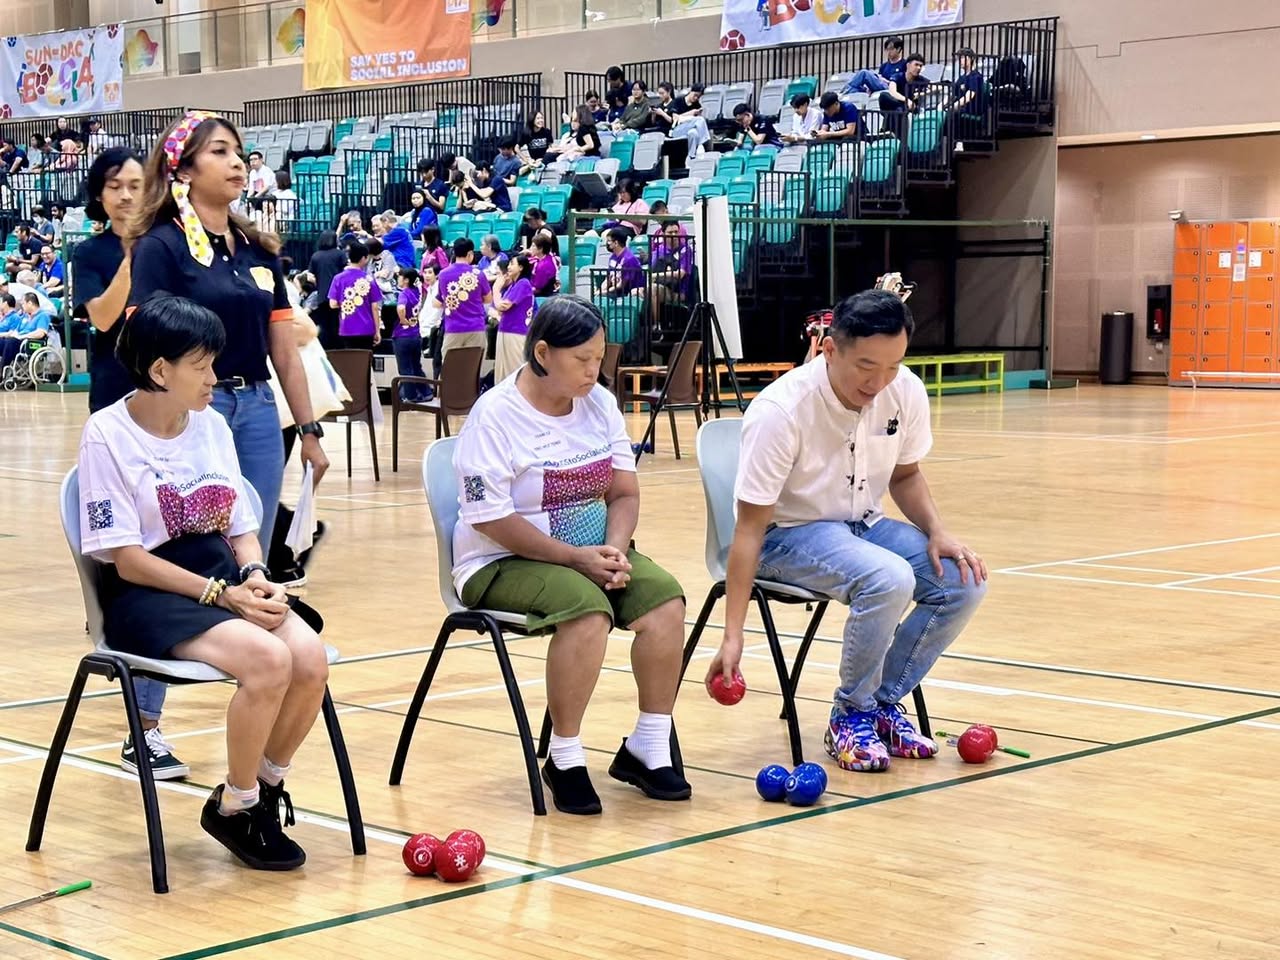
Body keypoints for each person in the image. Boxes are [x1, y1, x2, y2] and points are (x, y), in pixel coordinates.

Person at [77, 295, 329, 870]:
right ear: (160, 370)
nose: (215, 378)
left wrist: (257, 575)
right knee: (268, 662)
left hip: (222, 576)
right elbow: (127, 559)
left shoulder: (212, 425)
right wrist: (220, 594)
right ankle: (235, 809)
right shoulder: (106, 434)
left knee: (309, 658)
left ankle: (263, 789)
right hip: (148, 591)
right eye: (202, 365)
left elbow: (240, 526)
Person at [706, 290, 988, 773]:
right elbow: (749, 529)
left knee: (963, 579)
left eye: (893, 366)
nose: (880, 382)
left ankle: (877, 706)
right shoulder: (781, 412)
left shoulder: (905, 391)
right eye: (866, 366)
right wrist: (732, 634)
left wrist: (937, 530)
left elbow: (904, 475)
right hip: (784, 535)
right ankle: (850, 716)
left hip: (861, 525)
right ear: (829, 349)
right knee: (889, 578)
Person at [451, 295, 690, 814]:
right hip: (498, 561)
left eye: (599, 357)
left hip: (591, 550)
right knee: (587, 612)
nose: (594, 370)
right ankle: (564, 756)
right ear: (542, 353)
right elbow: (488, 518)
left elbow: (623, 493)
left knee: (666, 602)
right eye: (581, 359)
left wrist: (616, 550)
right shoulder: (494, 416)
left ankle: (647, 746)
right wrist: (575, 559)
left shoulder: (599, 403)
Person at [127, 110, 330, 573]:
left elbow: (284, 352)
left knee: (252, 535)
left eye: (238, 152)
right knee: (201, 533)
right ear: (182, 169)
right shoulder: (161, 247)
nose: (237, 162)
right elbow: (145, 341)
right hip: (194, 409)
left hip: (258, 408)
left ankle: (252, 616)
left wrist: (309, 432)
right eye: (219, 152)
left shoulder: (260, 250)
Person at [435, 237, 491, 361]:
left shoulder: (443, 274)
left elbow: (440, 300)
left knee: (451, 371)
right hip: (476, 327)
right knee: (472, 371)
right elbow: (488, 299)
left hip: (453, 328)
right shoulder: (478, 274)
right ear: (470, 254)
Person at [327, 240, 381, 350]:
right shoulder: (369, 279)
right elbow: (375, 307)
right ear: (363, 258)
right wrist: (377, 331)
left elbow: (332, 304)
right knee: (365, 361)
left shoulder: (338, 278)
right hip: (367, 328)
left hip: (347, 328)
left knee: (351, 362)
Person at [489, 254, 535, 382]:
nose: (508, 267)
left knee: (515, 371)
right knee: (502, 372)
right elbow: (497, 307)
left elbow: (503, 306)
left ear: (520, 267)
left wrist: (496, 289)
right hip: (505, 330)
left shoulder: (523, 283)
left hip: (516, 332)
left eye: (512, 264)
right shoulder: (512, 286)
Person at [393, 267, 431, 403]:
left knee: (405, 369)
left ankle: (410, 396)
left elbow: (401, 308)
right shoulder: (417, 292)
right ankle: (426, 392)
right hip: (416, 335)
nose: (398, 279)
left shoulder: (404, 293)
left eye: (400, 276)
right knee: (416, 366)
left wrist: (403, 320)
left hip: (403, 335)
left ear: (406, 280)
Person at [647, 221, 693, 328]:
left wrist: (658, 275)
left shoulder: (685, 249)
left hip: (678, 292)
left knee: (654, 289)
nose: (674, 235)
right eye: (670, 232)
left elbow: (681, 274)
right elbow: (651, 270)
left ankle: (656, 325)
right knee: (637, 292)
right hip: (663, 286)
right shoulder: (659, 250)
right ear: (663, 234)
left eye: (676, 232)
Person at [307, 230, 346, 348]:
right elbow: (345, 271)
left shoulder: (316, 256)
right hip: (337, 295)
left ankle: (326, 350)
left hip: (322, 295)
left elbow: (310, 277)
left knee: (324, 326)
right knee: (337, 324)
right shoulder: (339, 254)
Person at [652, 83, 710, 159]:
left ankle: (691, 157)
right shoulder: (678, 101)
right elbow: (675, 119)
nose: (696, 98)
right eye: (695, 95)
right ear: (691, 91)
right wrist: (691, 113)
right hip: (676, 129)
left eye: (698, 97)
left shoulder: (697, 105)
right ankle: (702, 142)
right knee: (700, 120)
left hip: (688, 129)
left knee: (693, 133)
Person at [942, 48, 988, 144]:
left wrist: (954, 106)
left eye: (962, 58)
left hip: (973, 108)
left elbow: (969, 96)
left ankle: (958, 142)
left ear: (971, 59)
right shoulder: (961, 78)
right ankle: (946, 143)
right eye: (959, 58)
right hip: (962, 107)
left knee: (952, 114)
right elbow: (953, 94)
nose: (960, 61)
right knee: (944, 114)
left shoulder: (976, 76)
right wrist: (942, 104)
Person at [840, 35, 907, 101]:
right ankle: (843, 94)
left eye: (891, 49)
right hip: (880, 86)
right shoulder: (884, 66)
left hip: (892, 88)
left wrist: (888, 81)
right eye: (887, 49)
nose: (888, 52)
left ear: (898, 49)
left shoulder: (904, 64)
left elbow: (903, 82)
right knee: (855, 89)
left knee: (864, 73)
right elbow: (878, 79)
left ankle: (842, 93)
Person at [0, 292, 50, 369]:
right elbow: (16, 331)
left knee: (11, 342)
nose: (22, 306)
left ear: (29, 303)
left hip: (30, 344)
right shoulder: (25, 316)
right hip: (17, 341)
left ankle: (1, 371)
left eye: (23, 304)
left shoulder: (43, 315)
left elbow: (40, 333)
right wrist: (14, 335)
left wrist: (22, 336)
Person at [599, 229, 644, 298]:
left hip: (627, 293)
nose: (607, 243)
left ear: (616, 243)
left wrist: (605, 292)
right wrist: (601, 290)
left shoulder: (629, 259)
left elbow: (622, 285)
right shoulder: (613, 257)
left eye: (609, 241)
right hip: (615, 290)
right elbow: (608, 278)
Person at [529, 233, 560, 298]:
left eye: (533, 246)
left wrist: (522, 292)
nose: (530, 248)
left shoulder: (543, 266)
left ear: (541, 249)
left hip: (545, 295)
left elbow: (537, 289)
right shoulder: (547, 256)